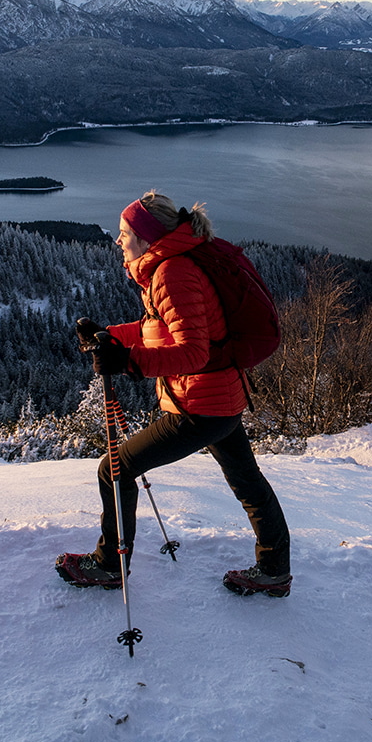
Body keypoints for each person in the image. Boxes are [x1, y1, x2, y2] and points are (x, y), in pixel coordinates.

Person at [54, 191, 293, 597]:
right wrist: (109, 337)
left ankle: (111, 565)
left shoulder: (172, 273)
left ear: (146, 239)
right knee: (248, 483)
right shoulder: (167, 267)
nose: (117, 240)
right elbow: (158, 327)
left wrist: (128, 362)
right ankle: (274, 569)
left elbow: (194, 353)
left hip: (201, 406)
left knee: (116, 468)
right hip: (224, 398)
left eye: (124, 232)